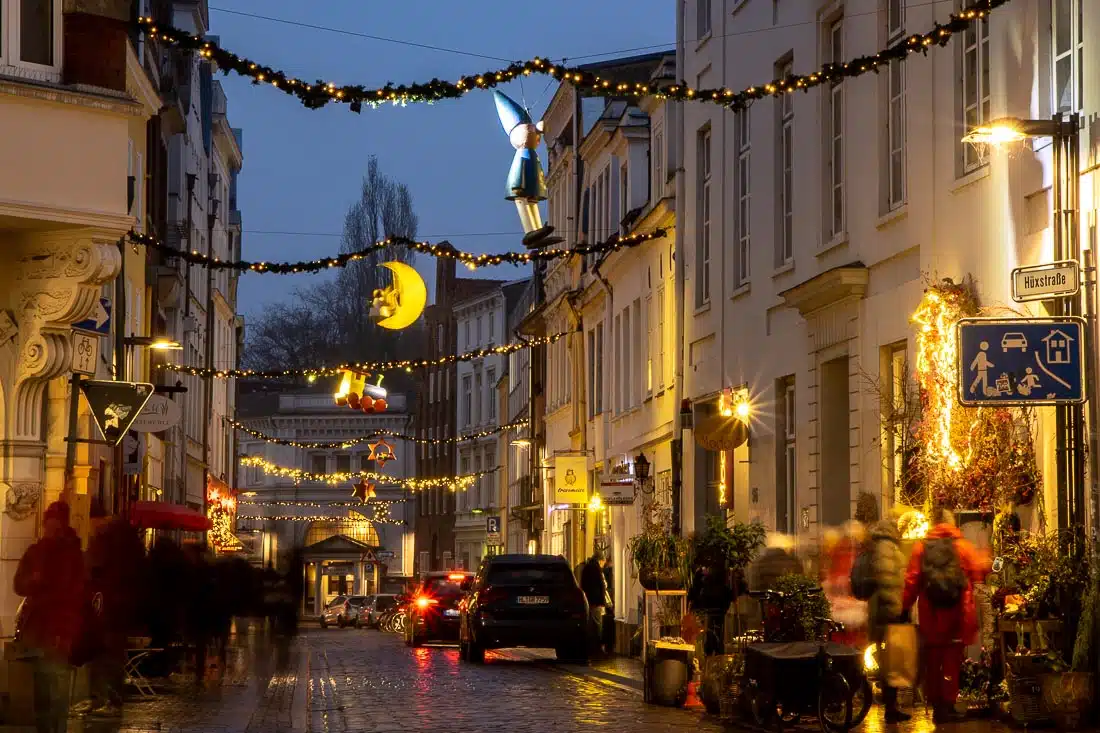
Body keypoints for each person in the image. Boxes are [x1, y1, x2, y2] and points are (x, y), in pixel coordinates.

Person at [902, 507, 991, 723]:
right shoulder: (963, 546)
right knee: (952, 660)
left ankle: (937, 705)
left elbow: (912, 580)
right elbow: (979, 571)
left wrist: (903, 606)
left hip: (930, 613)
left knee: (933, 661)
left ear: (933, 524)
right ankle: (949, 703)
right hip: (956, 612)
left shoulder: (921, 547)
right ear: (952, 523)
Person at [14, 501, 84, 733]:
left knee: (57, 692)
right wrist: (32, 581)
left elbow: (76, 596)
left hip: (60, 631)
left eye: (55, 524)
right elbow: (19, 584)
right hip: (39, 631)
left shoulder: (72, 555)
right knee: (43, 693)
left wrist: (66, 632)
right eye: (48, 524)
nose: (50, 529)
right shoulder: (36, 552)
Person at [72, 501, 146, 718]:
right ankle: (97, 698)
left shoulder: (111, 540)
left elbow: (99, 569)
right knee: (95, 653)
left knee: (109, 655)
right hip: (105, 606)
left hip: (113, 607)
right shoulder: (115, 538)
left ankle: (111, 699)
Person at [868, 510, 911, 724]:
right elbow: (886, 580)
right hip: (886, 613)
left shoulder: (885, 545)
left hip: (885, 611)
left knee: (891, 660)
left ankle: (892, 707)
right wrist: (896, 608)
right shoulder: (885, 547)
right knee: (890, 661)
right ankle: (890, 708)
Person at [689, 565, 733, 656]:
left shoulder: (705, 582)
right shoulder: (721, 585)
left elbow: (697, 594)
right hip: (718, 609)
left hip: (708, 609)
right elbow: (729, 596)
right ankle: (716, 650)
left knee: (710, 631)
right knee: (717, 631)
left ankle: (709, 650)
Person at [580, 551, 609, 654]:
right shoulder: (596, 569)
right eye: (603, 563)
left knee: (591, 624)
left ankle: (590, 646)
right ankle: (597, 648)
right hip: (596, 601)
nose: (603, 565)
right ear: (600, 560)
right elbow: (601, 586)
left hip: (588, 600)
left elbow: (583, 585)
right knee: (597, 624)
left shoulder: (587, 567)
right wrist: (603, 602)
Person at [601, 558, 615, 654]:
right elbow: (604, 585)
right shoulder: (601, 572)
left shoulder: (601, 571)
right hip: (603, 604)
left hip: (602, 604)